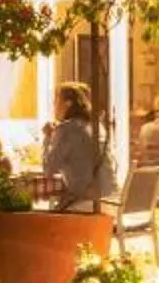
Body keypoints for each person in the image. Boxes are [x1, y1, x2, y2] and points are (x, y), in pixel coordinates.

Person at [43, 82, 119, 211]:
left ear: (67, 104)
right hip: (112, 201)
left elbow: (48, 170)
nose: (54, 106)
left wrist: (48, 138)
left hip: (90, 205)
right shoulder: (97, 127)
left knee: (42, 219)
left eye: (56, 101)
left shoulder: (67, 129)